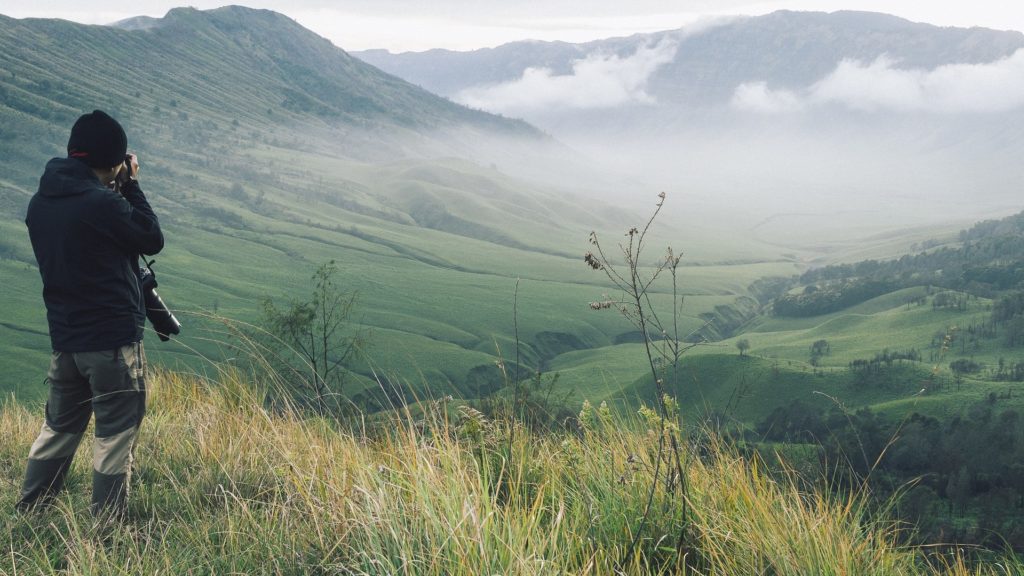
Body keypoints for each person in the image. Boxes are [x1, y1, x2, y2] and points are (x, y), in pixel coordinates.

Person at [18, 109, 164, 516]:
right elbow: (151, 238)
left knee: (58, 432)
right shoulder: (102, 203)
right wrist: (131, 186)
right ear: (114, 160)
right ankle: (106, 534)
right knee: (114, 438)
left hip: (65, 342)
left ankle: (31, 513)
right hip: (112, 344)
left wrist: (113, 185)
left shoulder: (40, 203)